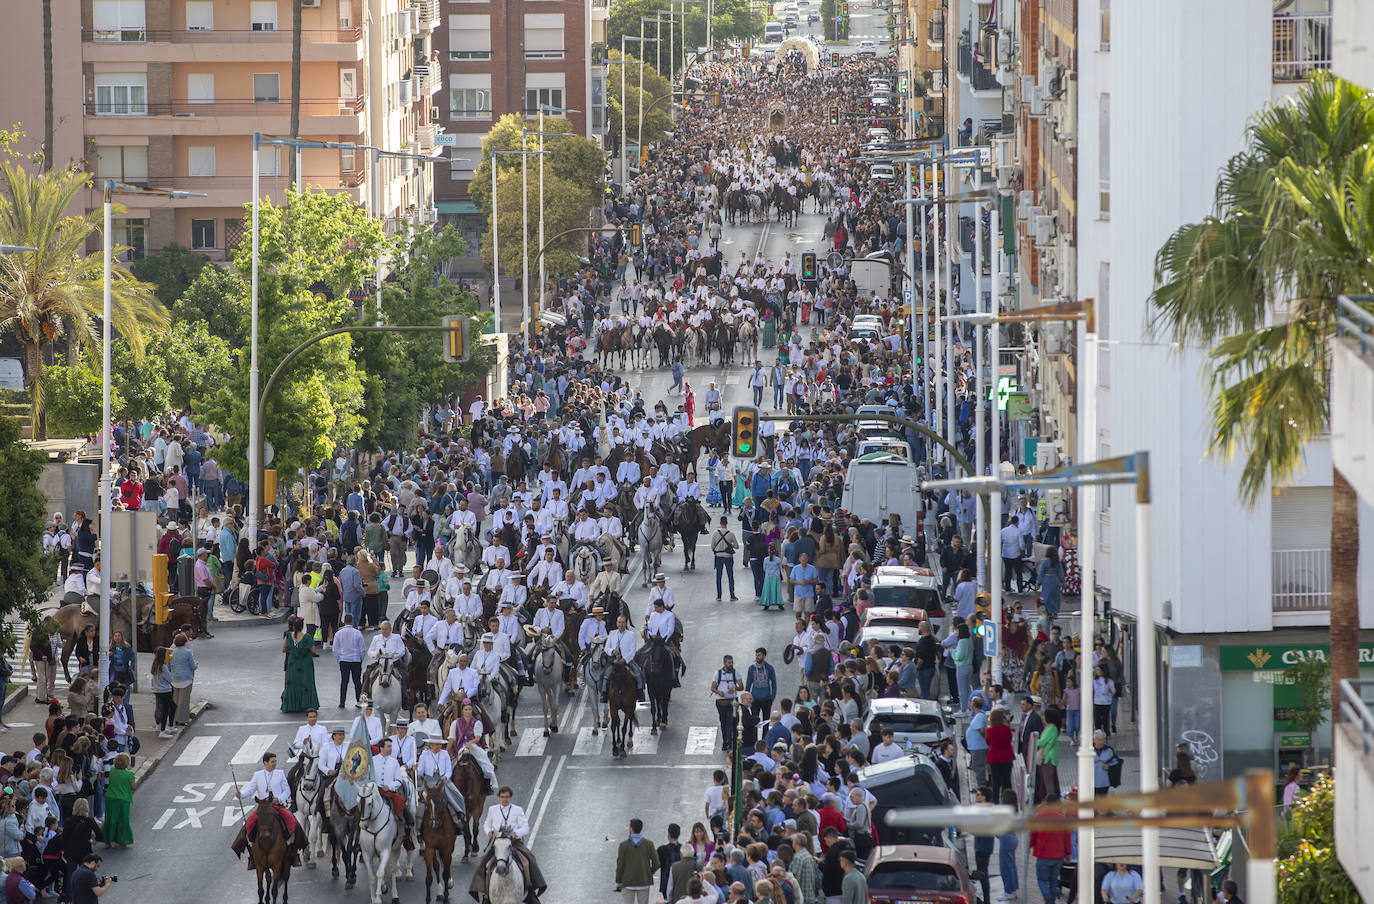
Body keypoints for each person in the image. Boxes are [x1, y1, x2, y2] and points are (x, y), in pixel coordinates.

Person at [231, 751, 308, 862]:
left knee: (293, 821)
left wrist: (279, 798)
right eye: (272, 762)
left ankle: (294, 848)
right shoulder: (258, 775)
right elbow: (250, 790)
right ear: (265, 763)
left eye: (275, 761)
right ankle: (250, 852)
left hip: (277, 806)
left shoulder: (280, 773)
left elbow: (287, 791)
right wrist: (241, 795)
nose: (275, 763)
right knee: (248, 825)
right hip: (263, 807)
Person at [474, 787, 547, 902]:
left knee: (528, 860)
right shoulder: (493, 809)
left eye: (507, 797)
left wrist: (515, 833)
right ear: (499, 798)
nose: (505, 799)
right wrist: (488, 831)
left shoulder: (517, 810)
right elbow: (487, 824)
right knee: (484, 864)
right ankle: (486, 894)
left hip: (514, 843)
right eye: (502, 797)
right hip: (498, 842)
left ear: (510, 797)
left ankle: (530, 890)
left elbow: (525, 827)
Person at [615, 818, 661, 904]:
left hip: (628, 882)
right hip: (644, 882)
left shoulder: (623, 845)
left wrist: (618, 881)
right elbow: (657, 863)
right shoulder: (649, 844)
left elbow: (620, 864)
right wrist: (648, 872)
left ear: (631, 828)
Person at [281, 617, 319, 713]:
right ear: (302, 627)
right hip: (305, 664)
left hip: (293, 664)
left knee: (293, 683)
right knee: (306, 682)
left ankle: (293, 705)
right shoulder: (307, 637)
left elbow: (284, 649)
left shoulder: (288, 636)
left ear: (293, 627)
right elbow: (313, 650)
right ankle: (306, 704)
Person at [332, 614, 367, 709]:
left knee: (344, 681)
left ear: (344, 621)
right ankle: (358, 700)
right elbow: (362, 649)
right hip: (355, 659)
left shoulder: (339, 633)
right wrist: (360, 659)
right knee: (357, 682)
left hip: (344, 660)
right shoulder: (357, 633)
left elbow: (335, 649)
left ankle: (342, 702)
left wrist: (339, 658)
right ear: (352, 621)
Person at [102, 753, 135, 849]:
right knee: (123, 820)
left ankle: (107, 841)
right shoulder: (129, 774)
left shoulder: (112, 771)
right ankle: (121, 841)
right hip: (123, 800)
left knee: (110, 819)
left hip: (111, 798)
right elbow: (133, 786)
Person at [167, 633, 197, 728]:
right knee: (184, 701)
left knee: (175, 700)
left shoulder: (172, 652)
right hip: (185, 679)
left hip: (175, 678)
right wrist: (196, 664)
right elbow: (193, 666)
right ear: (185, 642)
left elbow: (168, 666)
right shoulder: (188, 652)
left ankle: (174, 718)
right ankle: (182, 719)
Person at [710, 516, 739, 602]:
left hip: (718, 556)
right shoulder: (731, 534)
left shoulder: (715, 533)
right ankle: (732, 595)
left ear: (720, 523)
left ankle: (719, 595)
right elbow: (736, 546)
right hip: (728, 557)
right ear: (727, 523)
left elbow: (712, 546)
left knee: (719, 576)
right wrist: (730, 545)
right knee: (730, 575)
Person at [759, 544, 785, 611]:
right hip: (776, 577)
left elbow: (764, 568)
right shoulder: (778, 559)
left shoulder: (765, 559)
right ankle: (779, 603)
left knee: (767, 590)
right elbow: (780, 569)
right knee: (777, 590)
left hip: (768, 577)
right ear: (775, 551)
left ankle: (766, 603)